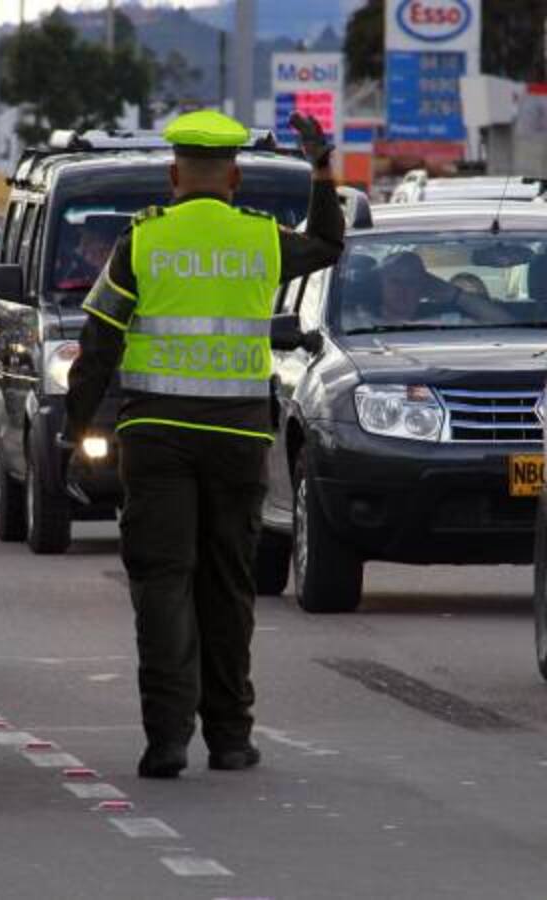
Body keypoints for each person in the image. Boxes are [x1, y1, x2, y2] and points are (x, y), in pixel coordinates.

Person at [63, 110, 345, 778]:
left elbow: (98, 341)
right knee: (227, 585)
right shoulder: (261, 242)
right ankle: (229, 738)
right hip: (237, 437)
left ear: (173, 173)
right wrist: (323, 167)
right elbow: (330, 242)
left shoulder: (144, 241)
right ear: (235, 178)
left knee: (162, 586)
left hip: (155, 437)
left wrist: (78, 433)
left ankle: (165, 742)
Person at [340, 251, 512, 331]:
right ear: (380, 285)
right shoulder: (355, 324)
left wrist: (454, 294)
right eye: (395, 282)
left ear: (424, 288)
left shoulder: (447, 323)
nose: (403, 290)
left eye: (412, 283)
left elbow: (507, 325)